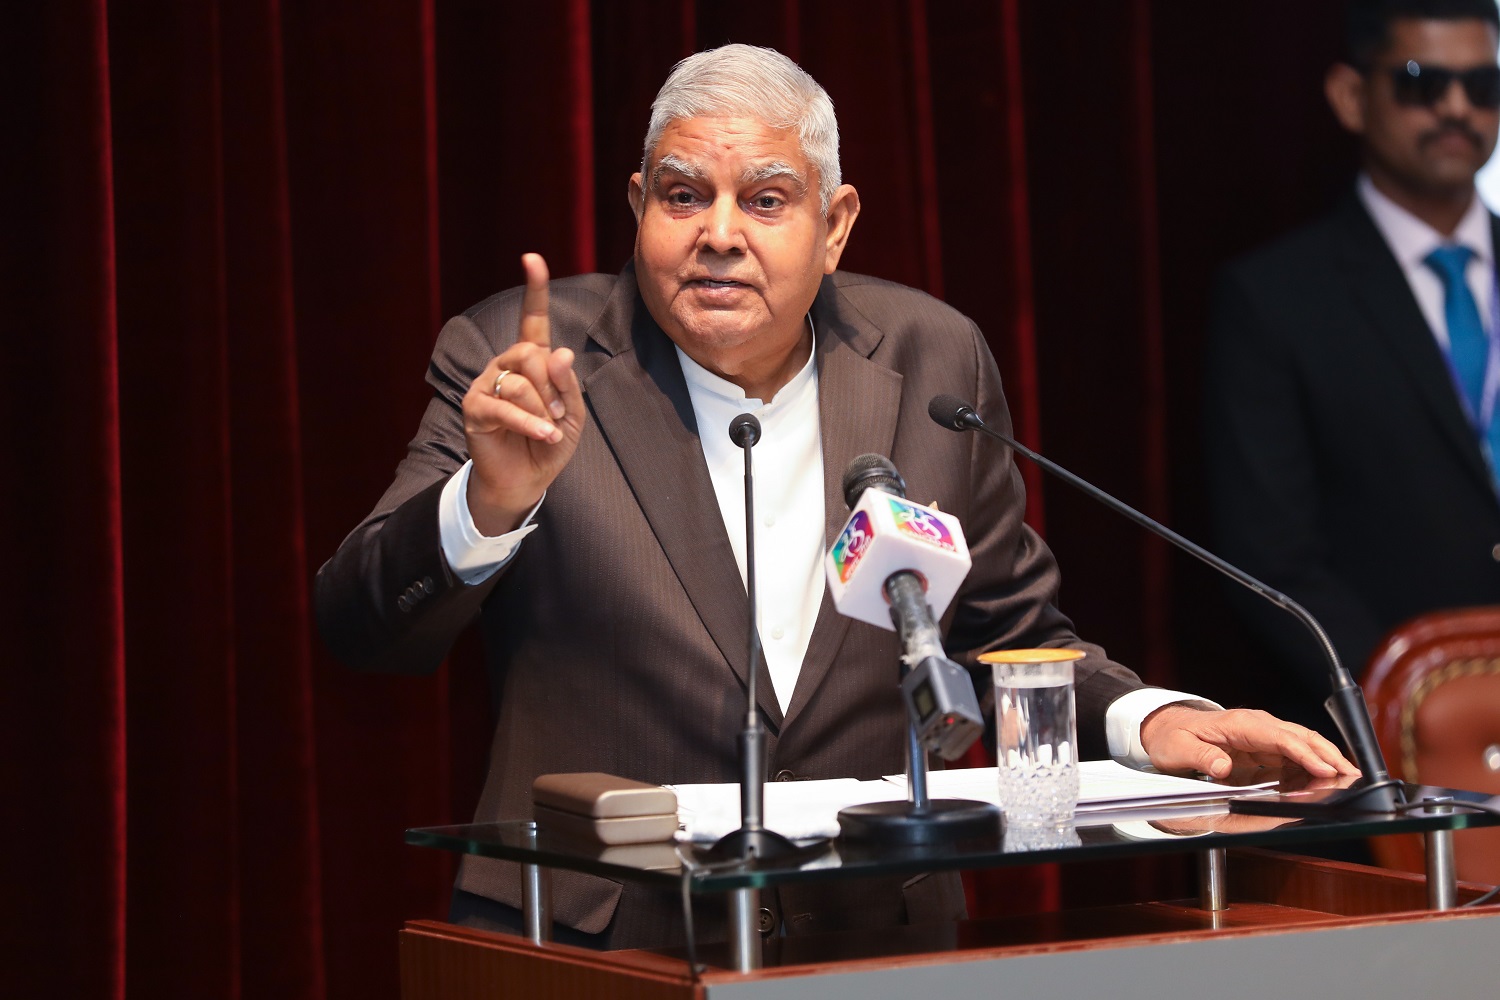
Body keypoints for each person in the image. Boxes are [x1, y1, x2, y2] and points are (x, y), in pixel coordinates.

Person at [318, 43, 1353, 950]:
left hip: (867, 934)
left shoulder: (931, 359)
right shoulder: (524, 357)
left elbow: (1004, 632)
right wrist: (484, 504)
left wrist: (1149, 719)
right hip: (594, 939)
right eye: (684, 195)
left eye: (765, 199)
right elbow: (359, 624)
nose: (719, 232)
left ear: (835, 221)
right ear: (638, 207)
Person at [1205, 0, 1500, 737]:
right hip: (1388, 739)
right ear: (1349, 96)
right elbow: (1274, 559)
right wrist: (1412, 702)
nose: (1457, 107)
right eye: (1419, 82)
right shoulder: (1275, 298)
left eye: (1484, 84)